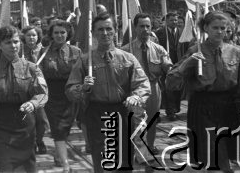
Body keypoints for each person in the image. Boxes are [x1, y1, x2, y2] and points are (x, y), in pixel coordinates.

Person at [166, 11, 240, 171]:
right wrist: (187, 64)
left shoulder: (237, 51)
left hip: (229, 108)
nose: (220, 31)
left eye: (223, 28)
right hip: (203, 106)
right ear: (205, 28)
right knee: (212, 152)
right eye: (215, 27)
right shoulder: (195, 50)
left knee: (228, 152)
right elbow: (171, 83)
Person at [66, 13, 151, 173]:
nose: (105, 33)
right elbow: (70, 90)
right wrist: (82, 88)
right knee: (103, 159)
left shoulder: (128, 58)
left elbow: (143, 83)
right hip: (97, 114)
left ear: (115, 30)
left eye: (108, 29)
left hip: (122, 112)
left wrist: (136, 96)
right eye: (100, 29)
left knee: (124, 158)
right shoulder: (85, 61)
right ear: (93, 33)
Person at [0, 25, 48, 173]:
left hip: (24, 121)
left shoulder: (32, 68)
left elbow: (42, 93)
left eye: (16, 41)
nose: (13, 46)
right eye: (8, 42)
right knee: (5, 165)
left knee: (27, 167)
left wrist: (33, 104)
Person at [123, 13, 172, 155]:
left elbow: (168, 66)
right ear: (135, 28)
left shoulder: (159, 49)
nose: (145, 29)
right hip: (135, 90)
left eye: (147, 26)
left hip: (153, 88)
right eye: (141, 26)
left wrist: (170, 69)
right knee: (136, 121)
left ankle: (150, 145)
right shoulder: (126, 50)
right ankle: (138, 148)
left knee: (151, 120)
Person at [39, 20, 81, 171]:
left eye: (62, 32)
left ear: (68, 34)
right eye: (56, 32)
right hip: (52, 93)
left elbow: (80, 73)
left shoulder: (76, 51)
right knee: (58, 127)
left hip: (70, 92)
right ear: (51, 34)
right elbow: (39, 73)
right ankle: (65, 164)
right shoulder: (43, 52)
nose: (59, 35)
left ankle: (58, 154)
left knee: (66, 127)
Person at [21, 25, 49, 154]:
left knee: (42, 119)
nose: (31, 37)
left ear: (38, 37)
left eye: (34, 35)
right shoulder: (19, 51)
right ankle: (31, 142)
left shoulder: (45, 51)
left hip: (40, 89)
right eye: (28, 35)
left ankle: (39, 140)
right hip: (25, 88)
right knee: (28, 118)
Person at [155, 12, 181, 121]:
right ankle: (170, 111)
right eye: (171, 20)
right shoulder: (160, 33)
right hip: (165, 65)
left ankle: (175, 108)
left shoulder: (182, 32)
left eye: (176, 20)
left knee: (177, 88)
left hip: (178, 64)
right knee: (167, 88)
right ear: (166, 21)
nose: (174, 22)